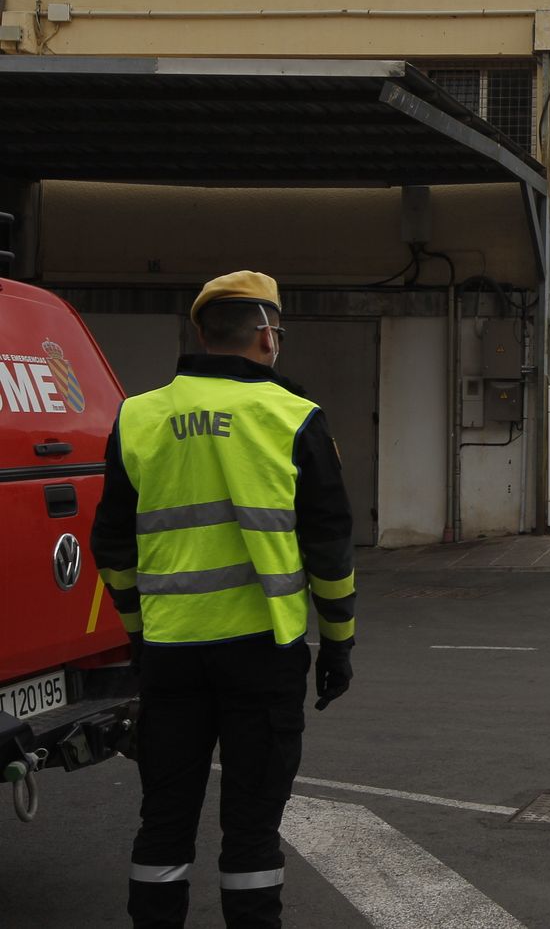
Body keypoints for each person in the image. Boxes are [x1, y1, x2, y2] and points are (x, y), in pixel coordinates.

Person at [90, 270, 355, 929]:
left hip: (171, 654)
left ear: (203, 335)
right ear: (266, 335)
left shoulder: (137, 416)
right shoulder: (295, 418)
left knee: (165, 824)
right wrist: (340, 643)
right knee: (252, 833)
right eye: (279, 333)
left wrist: (135, 633)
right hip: (263, 655)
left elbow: (112, 545)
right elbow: (328, 546)